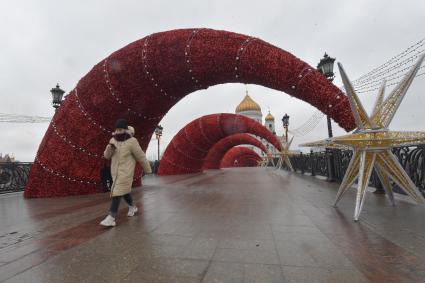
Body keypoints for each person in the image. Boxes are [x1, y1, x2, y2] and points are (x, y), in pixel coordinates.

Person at [100, 119, 152, 227]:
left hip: (126, 173)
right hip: (115, 172)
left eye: (121, 129)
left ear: (125, 129)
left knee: (117, 192)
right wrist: (109, 149)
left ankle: (111, 218)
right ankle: (133, 207)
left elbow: (141, 156)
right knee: (124, 192)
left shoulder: (132, 141)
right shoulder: (112, 140)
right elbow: (106, 156)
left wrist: (147, 169)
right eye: (117, 129)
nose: (118, 132)